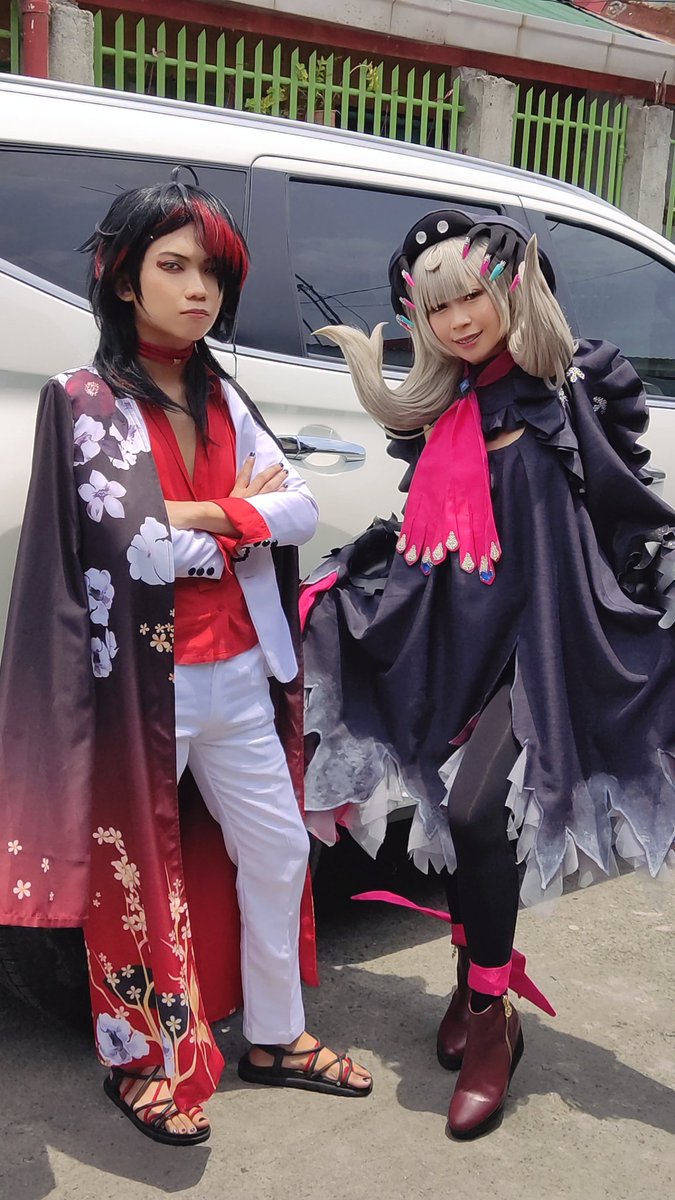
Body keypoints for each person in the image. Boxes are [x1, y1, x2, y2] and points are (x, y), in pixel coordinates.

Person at [0, 172, 372, 1148]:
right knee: (132, 867)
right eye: (173, 266)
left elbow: (295, 509)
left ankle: (276, 1035)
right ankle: (139, 1062)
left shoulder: (226, 394)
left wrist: (204, 516)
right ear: (124, 278)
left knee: (278, 851)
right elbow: (128, 547)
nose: (198, 288)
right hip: (140, 681)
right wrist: (235, 522)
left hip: (241, 668)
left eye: (212, 271)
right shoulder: (82, 402)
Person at [301, 209, 675, 1140]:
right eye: (436, 306)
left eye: (471, 294)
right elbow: (437, 539)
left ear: (512, 288)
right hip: (454, 637)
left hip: (546, 640)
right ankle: (474, 988)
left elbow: (621, 505)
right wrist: (358, 578)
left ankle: (490, 1021)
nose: (458, 318)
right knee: (455, 816)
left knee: (475, 814)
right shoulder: (450, 410)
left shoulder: (572, 387)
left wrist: (658, 577)